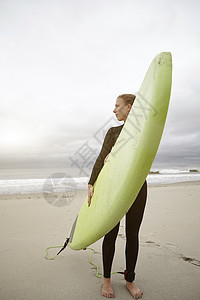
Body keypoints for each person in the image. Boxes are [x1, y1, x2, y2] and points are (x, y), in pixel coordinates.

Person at [88, 94, 147, 299]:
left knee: (132, 234)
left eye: (117, 106)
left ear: (129, 107)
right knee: (110, 232)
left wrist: (115, 156)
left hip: (137, 187)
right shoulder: (113, 132)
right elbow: (100, 158)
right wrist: (91, 182)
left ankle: (129, 280)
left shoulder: (142, 130)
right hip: (114, 187)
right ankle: (106, 280)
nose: (114, 110)